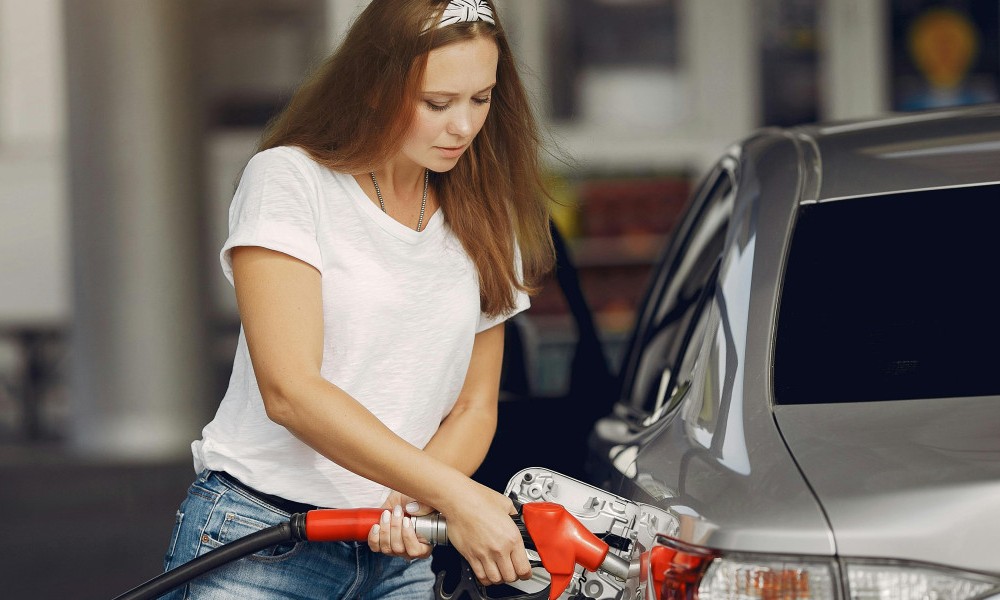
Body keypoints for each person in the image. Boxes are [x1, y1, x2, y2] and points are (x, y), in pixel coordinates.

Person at [161, 0, 555, 598]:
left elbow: (475, 407)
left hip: (401, 551)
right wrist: (454, 494)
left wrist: (419, 496)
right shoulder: (292, 180)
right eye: (438, 103)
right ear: (374, 87)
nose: (464, 127)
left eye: (482, 99)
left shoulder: (484, 213)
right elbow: (290, 391)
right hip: (262, 539)